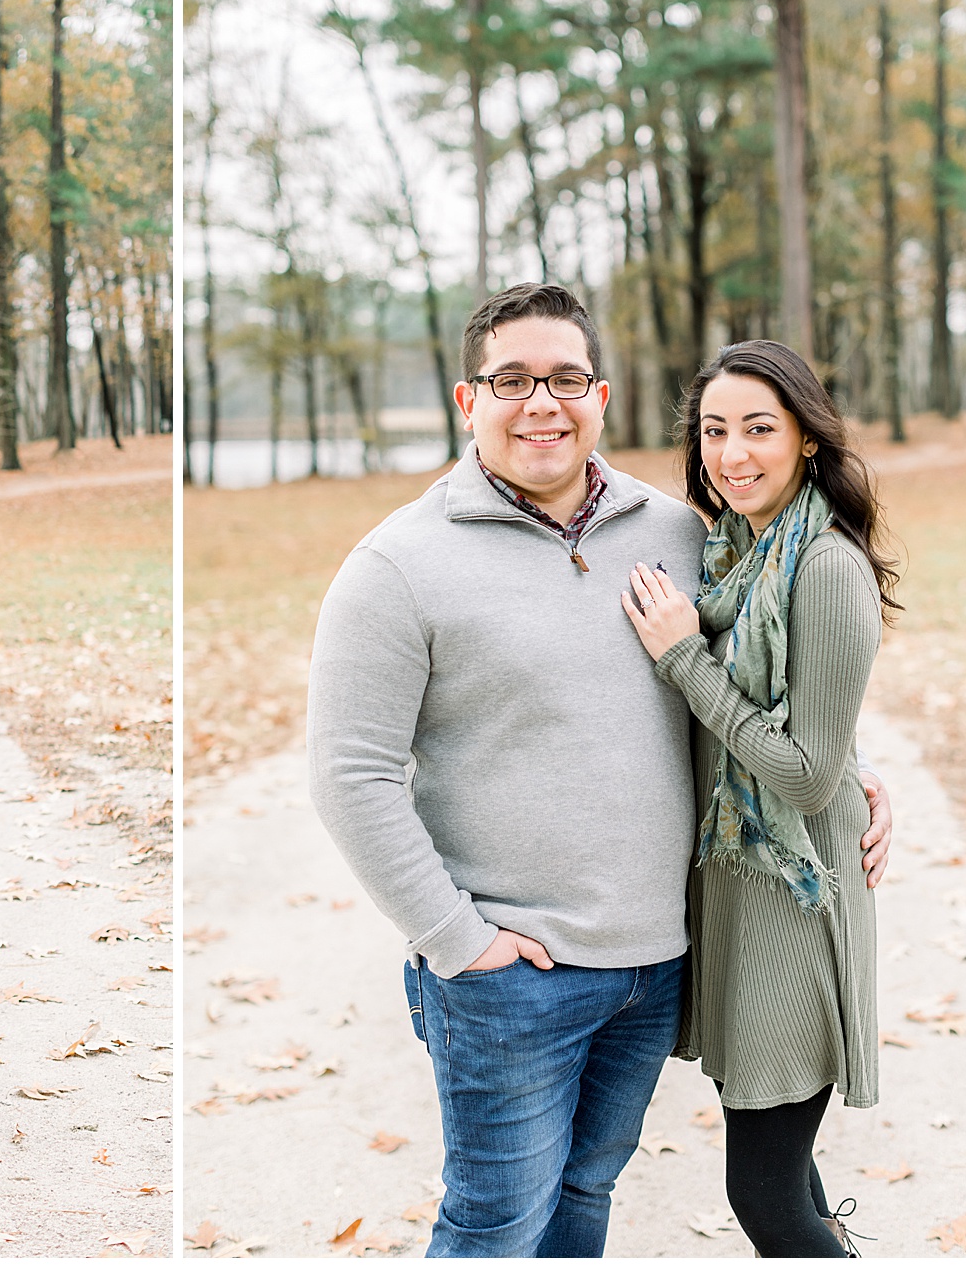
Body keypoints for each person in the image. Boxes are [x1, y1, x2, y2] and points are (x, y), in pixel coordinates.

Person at [307, 284, 892, 1257]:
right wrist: (461, 942)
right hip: (511, 979)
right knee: (494, 1226)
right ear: (469, 400)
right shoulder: (398, 566)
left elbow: (758, 673)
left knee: (584, 1200)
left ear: (602, 395)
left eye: (566, 377)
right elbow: (349, 776)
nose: (543, 401)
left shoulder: (672, 532)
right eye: (513, 379)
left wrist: (853, 765)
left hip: (656, 968)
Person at [623, 340, 900, 1256]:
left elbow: (806, 773)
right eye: (713, 432)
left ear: (807, 441)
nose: (732, 454)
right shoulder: (737, 556)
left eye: (758, 430)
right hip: (745, 901)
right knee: (794, 1178)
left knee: (765, 1193)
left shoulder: (822, 568)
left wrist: (682, 659)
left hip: (797, 904)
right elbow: (815, 726)